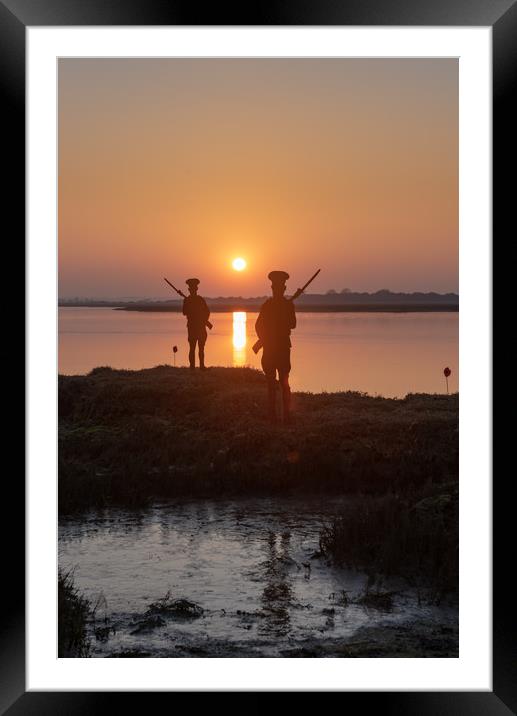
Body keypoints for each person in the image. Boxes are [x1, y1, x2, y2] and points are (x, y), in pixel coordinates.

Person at [255, 271, 296, 423]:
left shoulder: (269, 305)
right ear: (283, 288)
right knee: (282, 383)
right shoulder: (285, 305)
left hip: (273, 350)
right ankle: (284, 416)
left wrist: (264, 339)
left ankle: (277, 416)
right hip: (279, 349)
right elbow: (293, 324)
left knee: (274, 384)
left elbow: (258, 326)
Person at [182, 278, 210, 370]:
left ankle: (201, 366)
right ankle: (192, 367)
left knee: (201, 348)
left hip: (200, 327)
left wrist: (204, 320)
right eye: (191, 290)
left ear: (195, 290)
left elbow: (207, 312)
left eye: (193, 289)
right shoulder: (187, 300)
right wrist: (190, 308)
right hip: (192, 327)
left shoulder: (200, 300)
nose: (192, 291)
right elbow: (184, 312)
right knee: (192, 348)